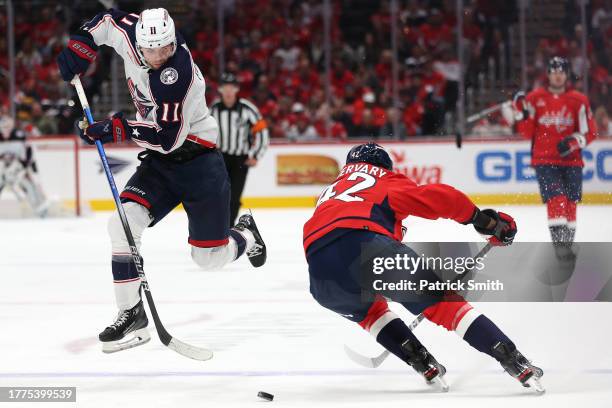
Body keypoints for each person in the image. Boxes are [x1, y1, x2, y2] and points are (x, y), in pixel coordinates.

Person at [57, 8, 267, 353]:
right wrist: (81, 46)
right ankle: (131, 311)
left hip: (199, 163)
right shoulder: (131, 31)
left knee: (208, 259)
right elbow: (106, 21)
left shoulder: (177, 74)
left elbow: (168, 137)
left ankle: (245, 234)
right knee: (121, 224)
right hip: (160, 166)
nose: (158, 56)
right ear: (140, 41)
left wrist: (116, 129)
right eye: (152, 50)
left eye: (165, 48)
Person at [303, 143, 543, 391]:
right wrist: (482, 220)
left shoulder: (330, 191)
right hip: (365, 244)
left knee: (371, 313)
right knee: (444, 306)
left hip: (321, 274)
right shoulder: (381, 178)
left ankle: (420, 361)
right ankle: (512, 359)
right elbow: (438, 198)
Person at [515, 57, 597, 260]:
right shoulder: (535, 98)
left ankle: (567, 245)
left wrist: (572, 143)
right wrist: (522, 112)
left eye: (562, 71)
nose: (558, 75)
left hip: (572, 161)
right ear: (549, 75)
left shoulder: (579, 100)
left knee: (570, 202)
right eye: (554, 71)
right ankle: (559, 246)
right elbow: (526, 132)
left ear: (567, 75)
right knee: (557, 198)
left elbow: (590, 133)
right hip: (544, 160)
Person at [210, 72, 269, 225]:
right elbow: (205, 132)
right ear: (220, 89)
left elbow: (262, 131)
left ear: (236, 89)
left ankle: (228, 228)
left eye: (232, 87)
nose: (228, 91)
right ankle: (218, 226)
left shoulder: (247, 108)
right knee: (219, 194)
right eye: (225, 87)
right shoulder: (214, 109)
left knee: (234, 196)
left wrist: (256, 155)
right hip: (220, 158)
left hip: (240, 159)